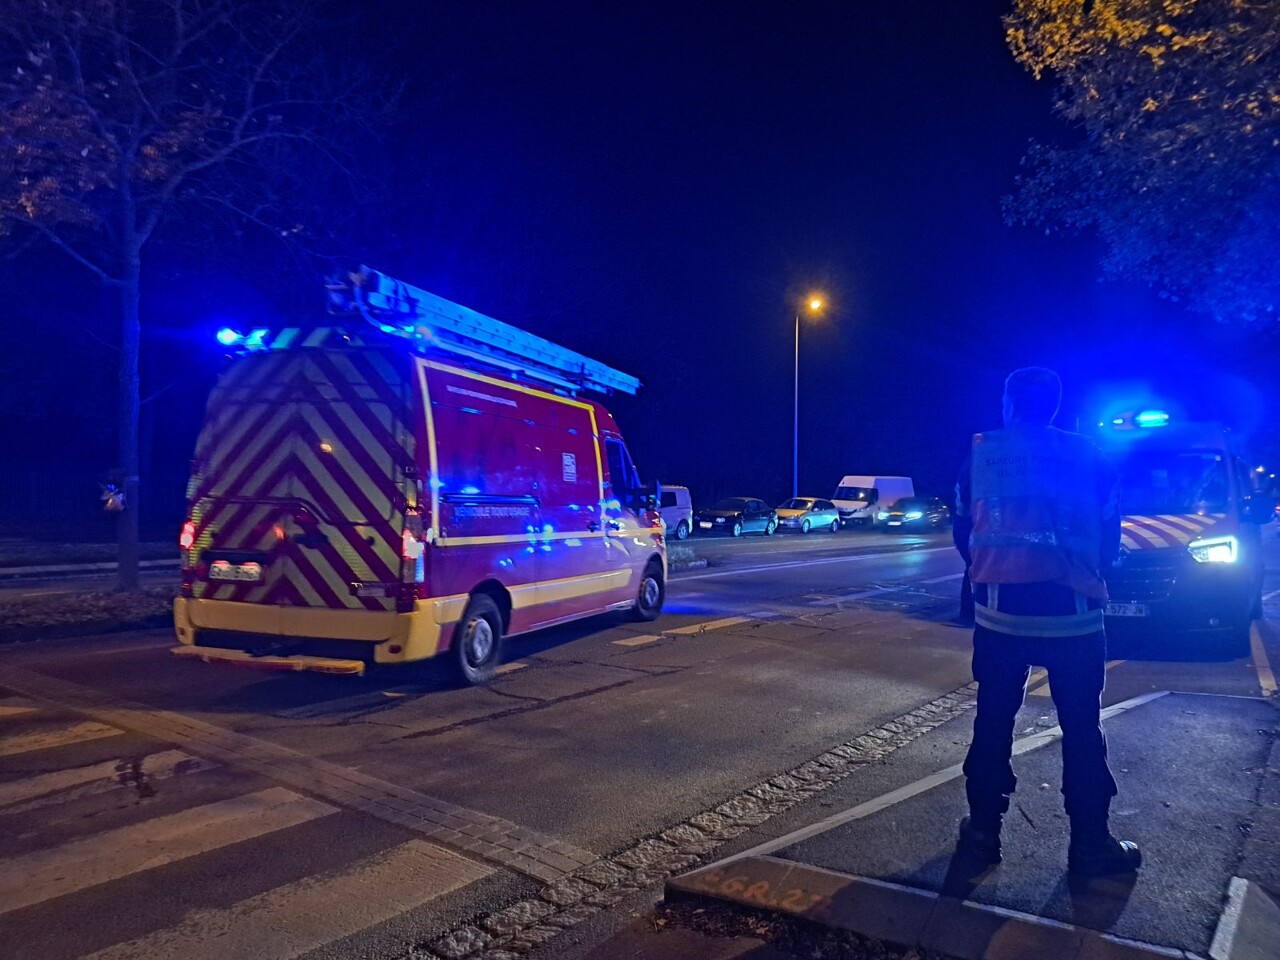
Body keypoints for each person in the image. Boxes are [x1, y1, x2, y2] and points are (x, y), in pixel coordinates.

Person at [952, 367, 1141, 877]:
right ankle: (1090, 847)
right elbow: (1108, 537)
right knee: (1082, 729)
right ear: (1054, 407)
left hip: (999, 617)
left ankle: (982, 836)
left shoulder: (982, 455)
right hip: (1073, 619)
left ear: (1009, 403)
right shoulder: (1089, 457)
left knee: (992, 725)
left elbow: (963, 531)